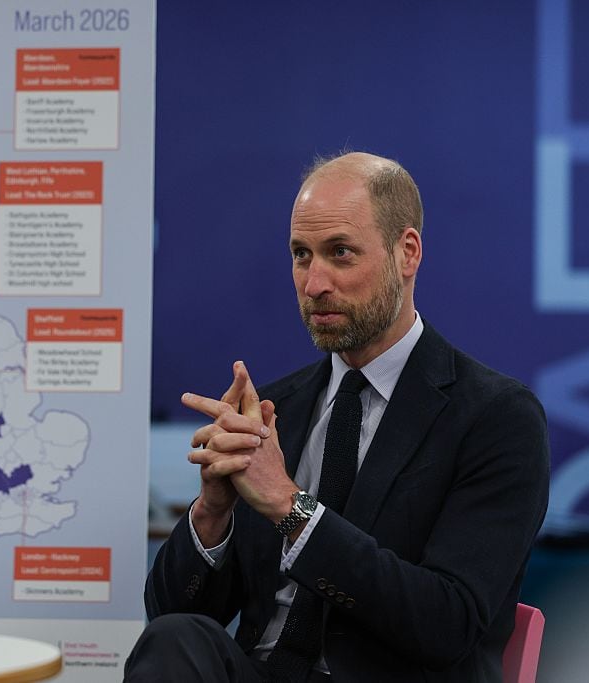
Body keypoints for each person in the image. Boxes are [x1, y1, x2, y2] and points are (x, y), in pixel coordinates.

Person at [125, 152, 550, 682]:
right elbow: (170, 619)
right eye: (301, 255)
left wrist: (289, 505)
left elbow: (447, 624)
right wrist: (213, 511)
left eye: (340, 253)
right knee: (175, 640)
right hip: (263, 670)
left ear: (407, 253)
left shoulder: (496, 417)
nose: (314, 284)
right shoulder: (276, 411)